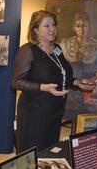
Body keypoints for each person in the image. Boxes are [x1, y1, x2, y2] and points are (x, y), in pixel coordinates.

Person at [12, 10, 73, 153]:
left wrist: (77, 82)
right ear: (35, 29)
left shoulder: (56, 48)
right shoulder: (27, 50)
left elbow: (61, 74)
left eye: (54, 25)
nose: (52, 29)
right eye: (47, 26)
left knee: (49, 150)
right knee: (32, 152)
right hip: (34, 111)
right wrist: (42, 87)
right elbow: (16, 82)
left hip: (55, 110)